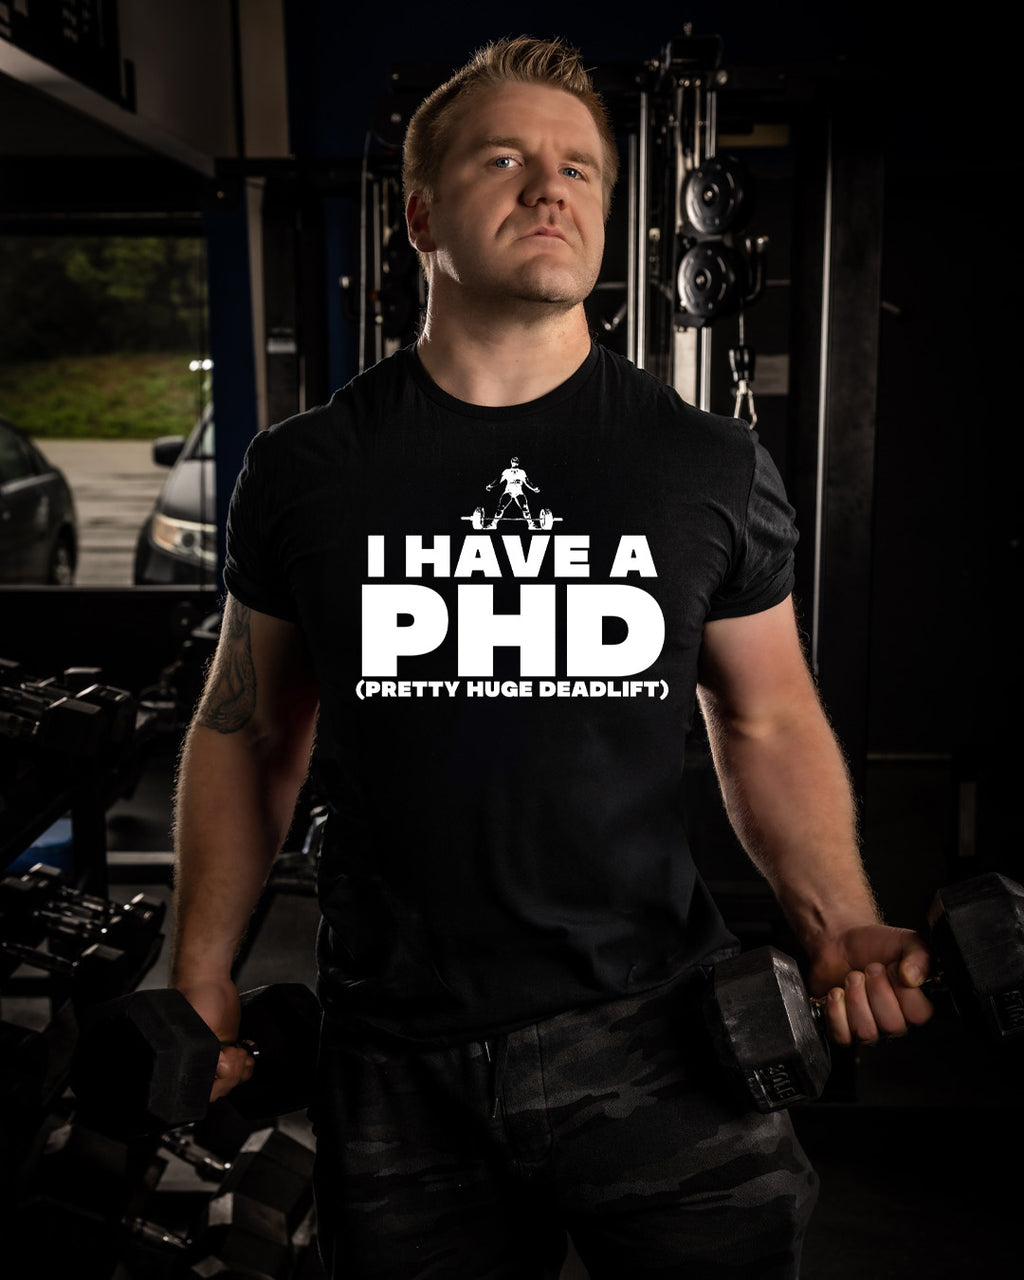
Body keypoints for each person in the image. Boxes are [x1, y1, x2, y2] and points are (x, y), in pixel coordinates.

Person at [170, 35, 934, 1279]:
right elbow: (249, 727)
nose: (551, 188)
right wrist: (197, 972)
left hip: (653, 1031)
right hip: (397, 1047)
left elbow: (767, 721)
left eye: (581, 168)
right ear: (420, 213)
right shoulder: (310, 469)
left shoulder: (704, 465)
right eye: (507, 158)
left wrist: (840, 917)